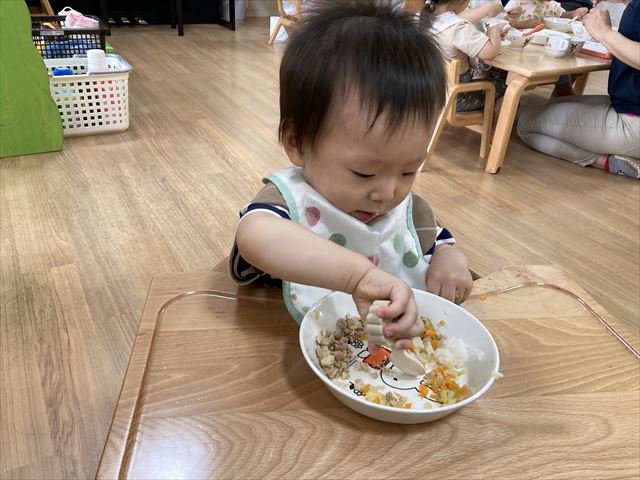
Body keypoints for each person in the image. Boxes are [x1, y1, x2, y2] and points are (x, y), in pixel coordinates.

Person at [229, 0, 473, 348]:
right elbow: (255, 237)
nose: (387, 193)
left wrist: (450, 260)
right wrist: (359, 276)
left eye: (408, 171)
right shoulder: (288, 202)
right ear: (297, 142)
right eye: (363, 173)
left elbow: (438, 243)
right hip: (278, 350)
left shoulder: (410, 211)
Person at [516, 0, 640, 179]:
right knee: (548, 106)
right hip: (627, 106)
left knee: (524, 124)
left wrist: (604, 33)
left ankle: (610, 162)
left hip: (633, 120)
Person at [426, 0, 508, 112]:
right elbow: (489, 52)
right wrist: (494, 31)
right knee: (506, 88)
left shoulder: (421, 18)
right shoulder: (458, 28)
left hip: (426, 93)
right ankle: (492, 122)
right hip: (455, 98)